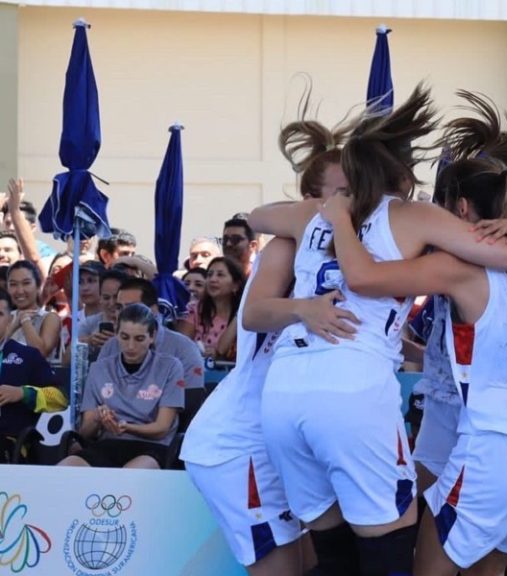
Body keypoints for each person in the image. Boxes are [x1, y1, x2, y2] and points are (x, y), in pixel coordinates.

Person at [246, 85, 507, 576]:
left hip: (299, 390)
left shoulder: (446, 263)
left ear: (462, 209)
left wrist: (336, 217)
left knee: (366, 549)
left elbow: (261, 220)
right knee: (428, 544)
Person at [183, 108, 355, 575]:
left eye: (353, 190)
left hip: (277, 443)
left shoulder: (351, 248)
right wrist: (307, 309)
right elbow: (255, 316)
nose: (349, 201)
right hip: (238, 446)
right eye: (338, 192)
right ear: (309, 201)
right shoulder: (286, 246)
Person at [58, 303, 184, 469]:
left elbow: (162, 428)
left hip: (153, 447)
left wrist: (126, 427)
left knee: (129, 477)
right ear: (116, 333)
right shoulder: (99, 369)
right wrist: (98, 417)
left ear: (152, 336)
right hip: (108, 444)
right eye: (124, 337)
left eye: (139, 339)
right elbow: (85, 432)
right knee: (65, 468)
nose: (131, 346)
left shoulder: (170, 367)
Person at [98, 278, 205, 390]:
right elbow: (98, 391)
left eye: (132, 307)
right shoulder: (110, 347)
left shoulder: (183, 349)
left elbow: (192, 398)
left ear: (153, 310)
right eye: (119, 308)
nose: (123, 314)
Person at [0, 288, 64, 463]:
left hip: (8, 443)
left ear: (9, 320)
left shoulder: (27, 355)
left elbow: (60, 398)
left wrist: (23, 393)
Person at [178, 256, 244, 359]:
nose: (213, 279)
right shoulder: (193, 309)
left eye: (220, 275)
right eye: (209, 275)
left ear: (236, 285)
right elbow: (181, 347)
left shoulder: (245, 314)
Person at [6, 260, 62, 363]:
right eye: (13, 284)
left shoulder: (49, 318)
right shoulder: (5, 316)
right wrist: (12, 328)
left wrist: (25, 320)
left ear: (38, 286)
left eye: (26, 283)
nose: (20, 291)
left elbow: (40, 353)